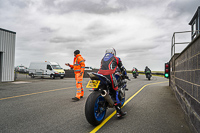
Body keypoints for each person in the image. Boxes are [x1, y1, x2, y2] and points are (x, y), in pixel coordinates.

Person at [98, 48, 127, 118]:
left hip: (99, 74)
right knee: (115, 91)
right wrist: (125, 74)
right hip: (110, 75)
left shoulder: (102, 59)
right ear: (113, 52)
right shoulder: (117, 58)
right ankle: (119, 112)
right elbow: (122, 68)